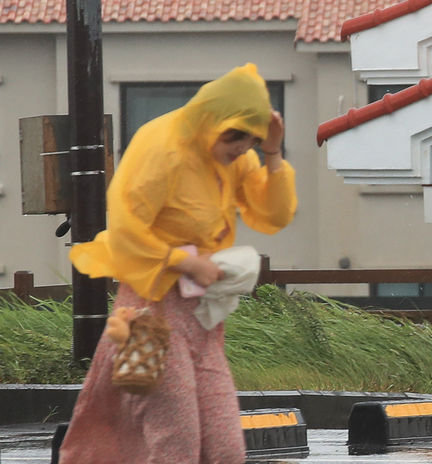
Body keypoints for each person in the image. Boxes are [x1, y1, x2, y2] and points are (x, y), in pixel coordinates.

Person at [59, 63, 297, 463]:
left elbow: (272, 214)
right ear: (212, 120)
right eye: (236, 136)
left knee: (225, 448)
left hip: (203, 317)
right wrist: (181, 262)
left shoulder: (232, 158)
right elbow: (125, 227)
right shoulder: (163, 147)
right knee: (175, 443)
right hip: (149, 308)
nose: (242, 147)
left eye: (251, 140)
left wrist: (272, 153)